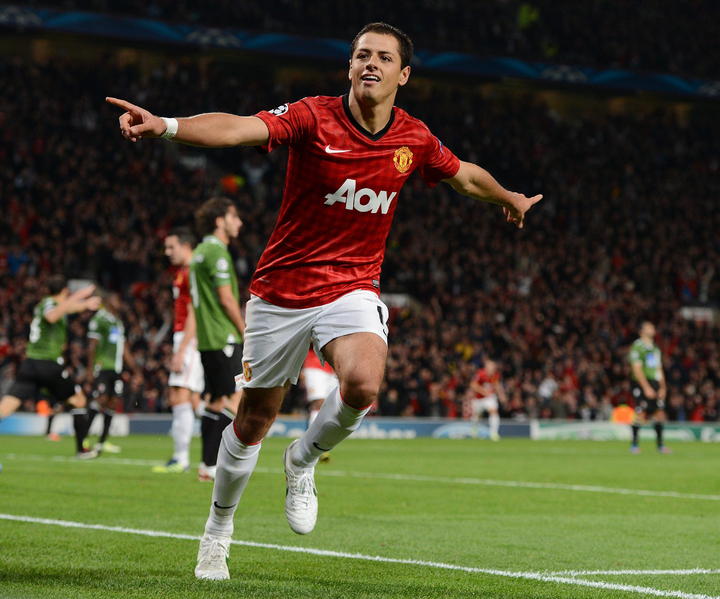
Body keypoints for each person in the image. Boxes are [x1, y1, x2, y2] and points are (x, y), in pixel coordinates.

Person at [107, 21, 541, 580]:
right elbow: (238, 128)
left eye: (384, 57)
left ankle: (302, 459)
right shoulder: (313, 116)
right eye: (362, 55)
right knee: (252, 421)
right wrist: (166, 125)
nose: (371, 64)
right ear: (349, 65)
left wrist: (509, 197)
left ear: (404, 75)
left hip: (352, 286)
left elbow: (464, 177)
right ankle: (217, 532)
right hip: (281, 291)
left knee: (363, 383)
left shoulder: (413, 138)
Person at [0, 275, 101, 458]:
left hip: (30, 365)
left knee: (5, 408)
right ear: (65, 291)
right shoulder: (49, 303)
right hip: (47, 364)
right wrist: (78, 296)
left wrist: (85, 305)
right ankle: (82, 450)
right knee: (79, 401)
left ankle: (82, 449)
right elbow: (53, 315)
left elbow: (66, 309)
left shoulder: (51, 304)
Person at [189, 198, 245, 482]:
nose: (239, 223)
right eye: (234, 217)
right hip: (224, 336)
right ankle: (214, 464)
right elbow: (226, 298)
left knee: (215, 400)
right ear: (219, 221)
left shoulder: (199, 251)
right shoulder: (216, 252)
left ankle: (206, 464)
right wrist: (244, 330)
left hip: (208, 338)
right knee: (237, 397)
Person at [153, 228, 205, 474]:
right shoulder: (183, 272)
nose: (167, 252)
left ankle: (181, 458)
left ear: (186, 246)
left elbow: (195, 310)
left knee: (179, 395)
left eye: (171, 247)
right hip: (186, 336)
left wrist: (182, 349)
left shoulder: (192, 270)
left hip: (189, 338)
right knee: (193, 399)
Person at [85, 291, 135, 454]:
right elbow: (92, 345)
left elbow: (124, 348)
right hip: (102, 367)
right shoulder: (99, 319)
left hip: (116, 368)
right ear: (108, 301)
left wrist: (135, 370)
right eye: (116, 298)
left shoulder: (117, 322)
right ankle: (84, 437)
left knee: (112, 403)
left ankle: (102, 442)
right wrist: (90, 369)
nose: (119, 302)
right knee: (100, 399)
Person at [628, 321, 670, 454]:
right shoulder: (637, 346)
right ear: (641, 331)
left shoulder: (655, 348)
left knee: (659, 413)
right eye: (649, 327)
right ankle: (634, 445)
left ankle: (660, 445)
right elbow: (636, 369)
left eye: (653, 327)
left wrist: (663, 387)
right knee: (640, 412)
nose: (653, 329)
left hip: (655, 382)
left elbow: (658, 368)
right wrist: (646, 387)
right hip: (641, 383)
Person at [300, 348, 339, 462]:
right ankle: (315, 446)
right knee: (318, 404)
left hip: (333, 368)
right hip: (314, 365)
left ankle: (321, 444)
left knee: (331, 407)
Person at [467, 359, 505, 441]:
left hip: (489, 398)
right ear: (486, 367)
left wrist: (501, 395)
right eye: (491, 366)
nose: (493, 368)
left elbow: (496, 385)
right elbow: (472, 384)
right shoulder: (480, 374)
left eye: (493, 366)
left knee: (494, 412)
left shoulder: (495, 375)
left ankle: (494, 433)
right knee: (475, 416)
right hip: (478, 399)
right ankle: (474, 429)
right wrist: (483, 391)